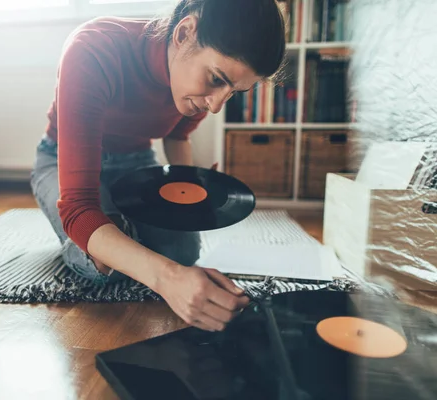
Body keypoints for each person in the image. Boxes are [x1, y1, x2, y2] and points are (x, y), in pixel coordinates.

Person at [31, 0, 286, 332]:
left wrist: (192, 190)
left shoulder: (193, 87)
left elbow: (177, 136)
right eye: (215, 78)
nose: (215, 105)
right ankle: (102, 233)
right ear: (184, 32)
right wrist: (167, 279)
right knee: (103, 268)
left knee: (183, 250)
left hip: (136, 162)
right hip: (59, 158)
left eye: (234, 92)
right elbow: (79, 206)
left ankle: (122, 235)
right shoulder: (93, 48)